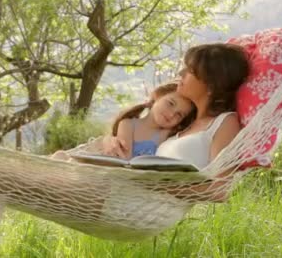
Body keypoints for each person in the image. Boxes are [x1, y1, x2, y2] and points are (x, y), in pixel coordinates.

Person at [103, 42, 249, 178]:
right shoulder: (182, 124)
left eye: (190, 70)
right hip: (126, 193)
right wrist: (109, 141)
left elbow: (220, 189)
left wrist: (158, 184)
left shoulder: (224, 122)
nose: (181, 73)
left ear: (211, 85)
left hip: (150, 197)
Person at [111, 82, 195, 159]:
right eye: (171, 103)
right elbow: (124, 159)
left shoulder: (167, 135)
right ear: (157, 96)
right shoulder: (127, 124)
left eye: (179, 114)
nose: (171, 115)